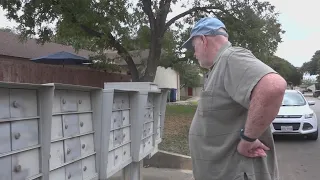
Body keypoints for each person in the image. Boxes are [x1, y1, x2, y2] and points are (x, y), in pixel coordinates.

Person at [182, 17, 287, 180]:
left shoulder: (230, 57)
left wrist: (248, 139)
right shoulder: (219, 65)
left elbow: (273, 86)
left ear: (203, 40)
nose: (194, 53)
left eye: (194, 46)